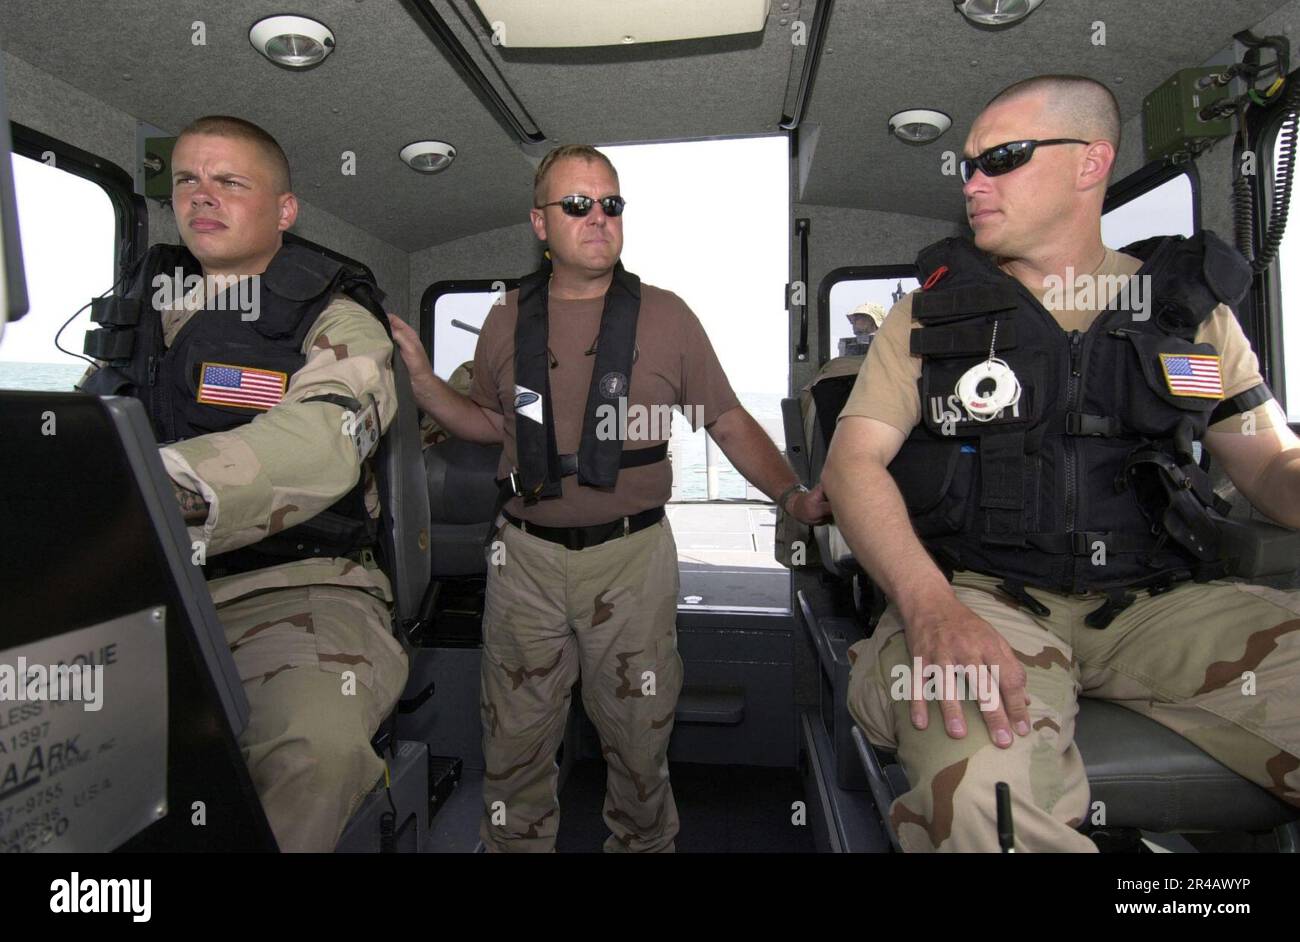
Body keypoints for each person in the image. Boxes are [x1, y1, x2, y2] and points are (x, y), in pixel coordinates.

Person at [822, 75, 1300, 852]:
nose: (970, 182)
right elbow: (853, 467)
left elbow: (1274, 473)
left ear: (1090, 163)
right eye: (968, 163)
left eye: (1000, 158)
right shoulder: (930, 317)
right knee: (986, 801)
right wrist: (930, 607)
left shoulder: (1188, 315)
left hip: (1160, 605)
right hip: (983, 598)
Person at [390, 143, 829, 852]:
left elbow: (726, 418)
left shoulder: (667, 316)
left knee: (638, 747)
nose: (598, 218)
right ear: (540, 224)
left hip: (632, 560)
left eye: (611, 204)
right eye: (577, 205)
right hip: (524, 565)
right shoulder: (506, 318)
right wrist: (424, 386)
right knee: (513, 748)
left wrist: (791, 493)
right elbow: (492, 425)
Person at [79, 116, 408, 851]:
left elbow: (327, 437)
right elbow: (78, 440)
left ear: (284, 210)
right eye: (188, 180)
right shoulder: (139, 313)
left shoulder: (338, 319)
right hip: (146, 591)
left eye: (230, 181)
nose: (203, 196)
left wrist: (162, 491)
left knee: (315, 746)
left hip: (296, 588)